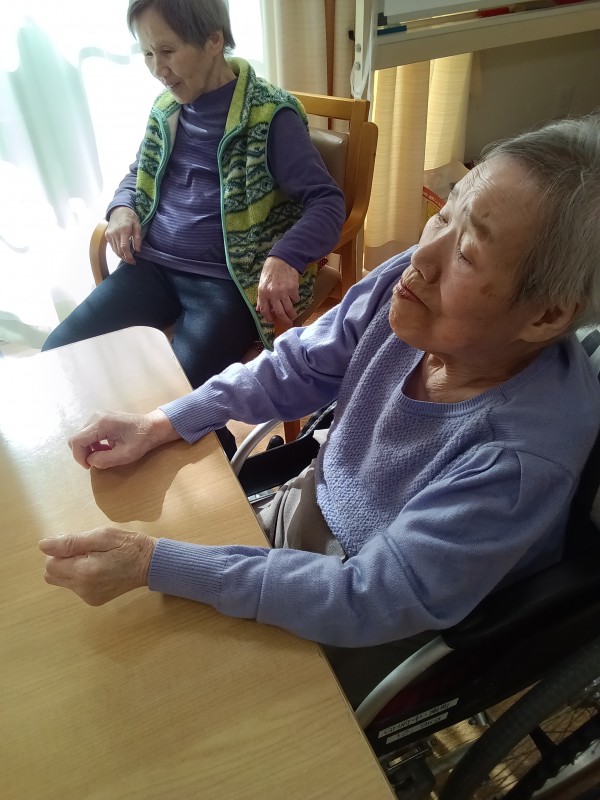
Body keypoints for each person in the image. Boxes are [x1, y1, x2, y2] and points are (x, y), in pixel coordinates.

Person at [40, 115, 600, 698]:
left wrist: (150, 563)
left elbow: (368, 599)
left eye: (466, 250)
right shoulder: (410, 289)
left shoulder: (517, 459)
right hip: (306, 515)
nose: (420, 255)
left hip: (378, 620)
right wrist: (163, 421)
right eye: (444, 212)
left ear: (547, 314)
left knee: (168, 696)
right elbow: (298, 364)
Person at [41, 0, 345, 456]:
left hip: (226, 283)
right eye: (147, 53)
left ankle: (221, 468)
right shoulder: (166, 108)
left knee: (169, 404)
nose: (157, 69)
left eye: (167, 51)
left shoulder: (271, 116)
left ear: (213, 40)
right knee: (58, 353)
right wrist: (121, 208)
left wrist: (286, 256)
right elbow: (138, 173)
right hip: (151, 268)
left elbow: (327, 201)